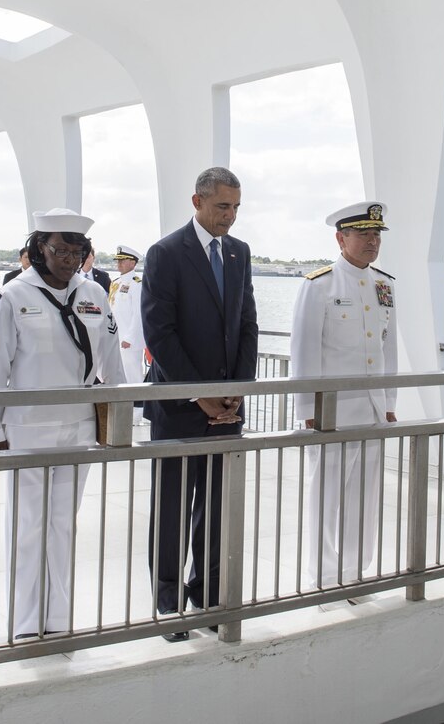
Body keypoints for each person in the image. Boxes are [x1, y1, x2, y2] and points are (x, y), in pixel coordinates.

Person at [0, 208, 124, 639]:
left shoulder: (94, 295)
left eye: (76, 250)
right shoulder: (14, 295)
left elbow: (113, 363)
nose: (68, 258)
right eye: (59, 249)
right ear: (38, 248)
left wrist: (118, 425)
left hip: (77, 429)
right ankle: (26, 623)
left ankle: (58, 621)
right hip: (26, 430)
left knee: (63, 526)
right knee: (29, 528)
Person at [141, 167, 259, 640]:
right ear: (197, 201)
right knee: (172, 507)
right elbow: (160, 332)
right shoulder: (166, 254)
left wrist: (237, 390)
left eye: (235, 207)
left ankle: (206, 595)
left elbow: (247, 323)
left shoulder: (239, 253)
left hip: (227, 407)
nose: (228, 217)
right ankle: (168, 604)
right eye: (221, 207)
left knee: (215, 509)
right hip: (179, 405)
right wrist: (200, 393)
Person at [290, 201, 397, 592]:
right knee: (327, 495)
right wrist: (308, 410)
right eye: (364, 234)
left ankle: (354, 573)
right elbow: (303, 352)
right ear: (341, 238)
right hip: (331, 411)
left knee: (365, 498)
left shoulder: (384, 285)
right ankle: (323, 576)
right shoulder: (319, 285)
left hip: (370, 410)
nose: (372, 241)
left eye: (377, 235)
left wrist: (388, 404)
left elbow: (389, 352)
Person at [108, 244, 147, 385]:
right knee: (120, 371)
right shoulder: (116, 282)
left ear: (133, 263)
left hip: (129, 338)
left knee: (133, 372)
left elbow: (138, 313)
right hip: (116, 335)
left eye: (122, 260)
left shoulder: (137, 284)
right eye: (118, 260)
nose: (119, 263)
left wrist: (129, 338)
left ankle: (139, 400)